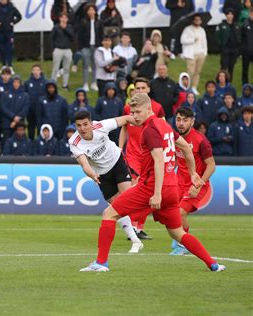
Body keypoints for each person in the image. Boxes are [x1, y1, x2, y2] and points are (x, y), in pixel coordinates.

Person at [79, 93, 225, 273]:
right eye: (132, 112)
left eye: (138, 112)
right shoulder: (165, 125)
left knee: (109, 214)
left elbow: (158, 160)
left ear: (149, 109)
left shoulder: (150, 130)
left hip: (151, 187)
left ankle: (101, 263)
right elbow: (186, 147)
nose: (134, 116)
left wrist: (156, 193)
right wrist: (193, 172)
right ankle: (213, 264)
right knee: (178, 233)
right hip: (172, 189)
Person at [69, 110, 143, 253]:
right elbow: (84, 164)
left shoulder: (101, 126)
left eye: (85, 124)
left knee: (128, 199)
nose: (82, 128)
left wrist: (146, 124)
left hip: (117, 162)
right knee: (117, 207)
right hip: (101, 175)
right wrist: (92, 175)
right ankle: (135, 240)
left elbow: (126, 118)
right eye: (79, 126)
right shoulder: (74, 142)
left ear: (91, 123)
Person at [118, 77, 165, 239]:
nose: (139, 91)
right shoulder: (127, 107)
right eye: (137, 88)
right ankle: (133, 227)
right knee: (135, 188)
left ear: (149, 90)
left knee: (146, 191)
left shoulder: (158, 108)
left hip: (150, 155)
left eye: (143, 88)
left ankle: (138, 227)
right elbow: (124, 127)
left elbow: (163, 130)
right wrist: (119, 148)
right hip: (132, 155)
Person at [171, 107, 216, 255]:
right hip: (178, 182)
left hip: (196, 184)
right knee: (171, 214)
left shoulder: (201, 141)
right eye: (178, 120)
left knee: (178, 213)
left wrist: (198, 185)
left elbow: (211, 165)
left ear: (192, 121)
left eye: (185, 120)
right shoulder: (174, 137)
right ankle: (181, 238)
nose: (181, 123)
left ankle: (183, 244)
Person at [180, 13, 208, 96]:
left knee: (197, 72)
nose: (198, 21)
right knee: (190, 72)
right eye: (196, 20)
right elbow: (182, 40)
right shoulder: (187, 29)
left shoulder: (202, 30)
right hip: (191, 54)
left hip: (201, 53)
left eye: (199, 20)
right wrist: (192, 40)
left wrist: (205, 52)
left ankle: (194, 87)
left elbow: (204, 42)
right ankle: (187, 87)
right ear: (193, 21)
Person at [0, 0, 22, 69]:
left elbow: (19, 16)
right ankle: (4, 64)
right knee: (2, 48)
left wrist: (13, 22)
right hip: (1, 32)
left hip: (9, 32)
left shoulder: (12, 7)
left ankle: (10, 65)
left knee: (9, 48)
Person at [77, 4, 101, 92]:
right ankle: (85, 83)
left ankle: (94, 83)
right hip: (86, 47)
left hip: (96, 47)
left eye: (92, 10)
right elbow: (79, 36)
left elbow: (101, 35)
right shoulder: (83, 22)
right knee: (86, 65)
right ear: (87, 12)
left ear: (95, 11)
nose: (91, 12)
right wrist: (81, 47)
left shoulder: (98, 22)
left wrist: (100, 46)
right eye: (89, 10)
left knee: (95, 66)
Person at [0, 75, 29, 146]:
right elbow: (3, 107)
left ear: (20, 84)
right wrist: (13, 117)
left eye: (18, 82)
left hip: (20, 124)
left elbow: (25, 109)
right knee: (6, 143)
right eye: (14, 82)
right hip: (7, 123)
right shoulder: (5, 94)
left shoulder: (25, 95)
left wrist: (16, 119)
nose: (16, 84)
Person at [215, 9, 241, 81]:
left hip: (234, 49)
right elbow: (217, 37)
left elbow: (239, 36)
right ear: (226, 15)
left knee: (231, 66)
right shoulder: (221, 25)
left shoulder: (237, 25)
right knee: (224, 66)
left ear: (233, 15)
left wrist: (238, 46)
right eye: (228, 14)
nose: (230, 15)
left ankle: (229, 82)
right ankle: (220, 81)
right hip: (225, 49)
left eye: (231, 14)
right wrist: (221, 47)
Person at [50, 13, 74, 90]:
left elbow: (72, 36)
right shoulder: (56, 27)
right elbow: (51, 38)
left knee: (66, 68)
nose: (63, 19)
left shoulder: (69, 27)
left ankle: (65, 84)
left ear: (67, 19)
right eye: (62, 18)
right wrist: (54, 48)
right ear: (60, 19)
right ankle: (53, 84)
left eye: (65, 18)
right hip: (58, 49)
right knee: (55, 68)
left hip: (67, 49)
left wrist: (65, 28)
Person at [24, 64, 47, 140]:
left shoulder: (45, 82)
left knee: (40, 128)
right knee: (31, 129)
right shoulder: (27, 83)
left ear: (41, 71)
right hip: (30, 111)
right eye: (34, 70)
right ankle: (31, 145)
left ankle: (40, 145)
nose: (36, 72)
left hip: (41, 111)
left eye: (37, 70)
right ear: (32, 71)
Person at [241, 8, 253, 85]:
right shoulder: (245, 24)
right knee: (245, 68)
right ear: (249, 14)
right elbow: (241, 38)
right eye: (252, 14)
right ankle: (245, 84)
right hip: (246, 51)